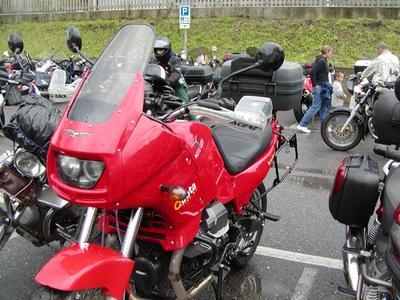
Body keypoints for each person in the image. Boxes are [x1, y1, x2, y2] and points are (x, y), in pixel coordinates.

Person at [297, 45, 334, 134]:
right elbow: (313, 72)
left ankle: (324, 126)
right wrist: (315, 85)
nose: (332, 54)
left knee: (322, 107)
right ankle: (302, 125)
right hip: (319, 87)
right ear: (327, 52)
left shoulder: (323, 60)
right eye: (331, 52)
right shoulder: (321, 61)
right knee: (315, 107)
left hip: (322, 87)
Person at [152, 36, 188, 103]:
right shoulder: (154, 58)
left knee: (184, 105)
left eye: (161, 50)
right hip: (159, 84)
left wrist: (167, 82)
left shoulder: (174, 58)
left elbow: (176, 73)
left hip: (176, 84)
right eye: (157, 50)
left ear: (166, 50)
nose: (159, 52)